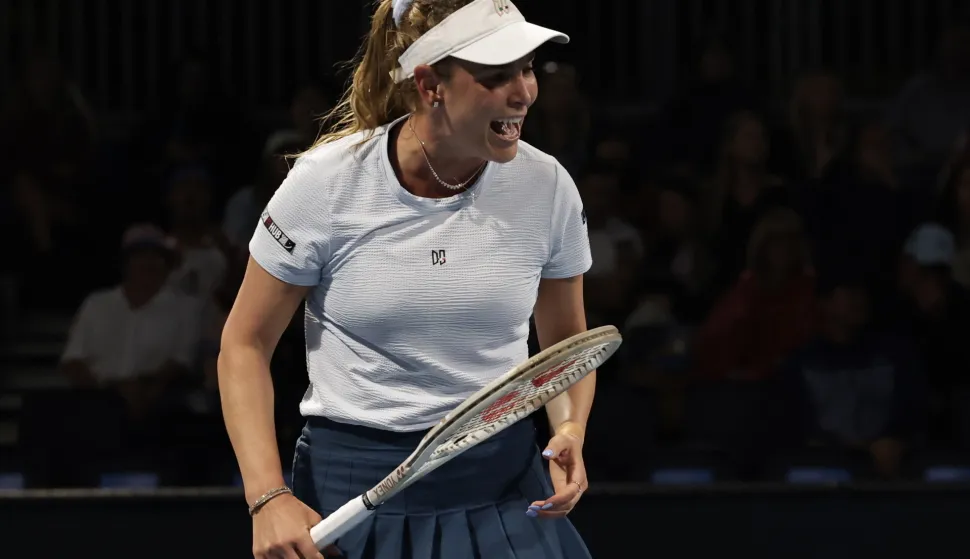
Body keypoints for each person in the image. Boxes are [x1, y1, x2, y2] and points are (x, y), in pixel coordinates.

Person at [217, 1, 595, 558]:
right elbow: (243, 344)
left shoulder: (548, 187)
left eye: (528, 68)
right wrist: (266, 496)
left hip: (504, 486)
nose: (524, 93)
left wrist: (569, 432)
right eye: (496, 76)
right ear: (429, 85)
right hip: (353, 491)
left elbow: (566, 348)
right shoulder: (326, 182)